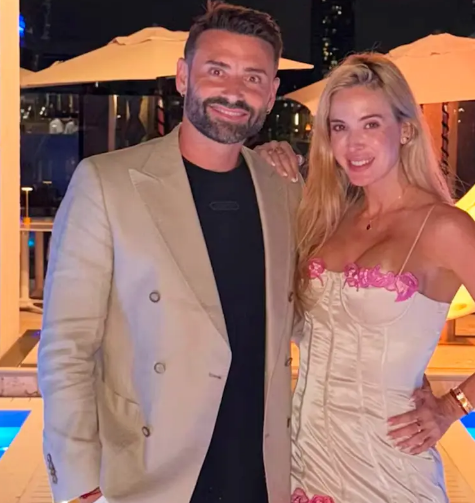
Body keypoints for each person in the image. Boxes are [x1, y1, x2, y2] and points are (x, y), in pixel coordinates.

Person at [38, 4, 434, 503]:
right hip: (148, 473)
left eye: (253, 77)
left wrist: (411, 380)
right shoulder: (107, 182)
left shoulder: (284, 189)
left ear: (271, 92)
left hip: (260, 469)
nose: (234, 90)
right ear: (184, 76)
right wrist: (77, 481)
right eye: (217, 70)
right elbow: (67, 346)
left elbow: (319, 315)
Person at [257, 54, 475, 502]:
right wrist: (264, 166)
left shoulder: (444, 227)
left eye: (371, 124)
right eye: (340, 127)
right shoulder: (325, 218)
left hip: (387, 463)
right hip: (305, 458)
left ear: (406, 130)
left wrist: (452, 407)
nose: (354, 143)